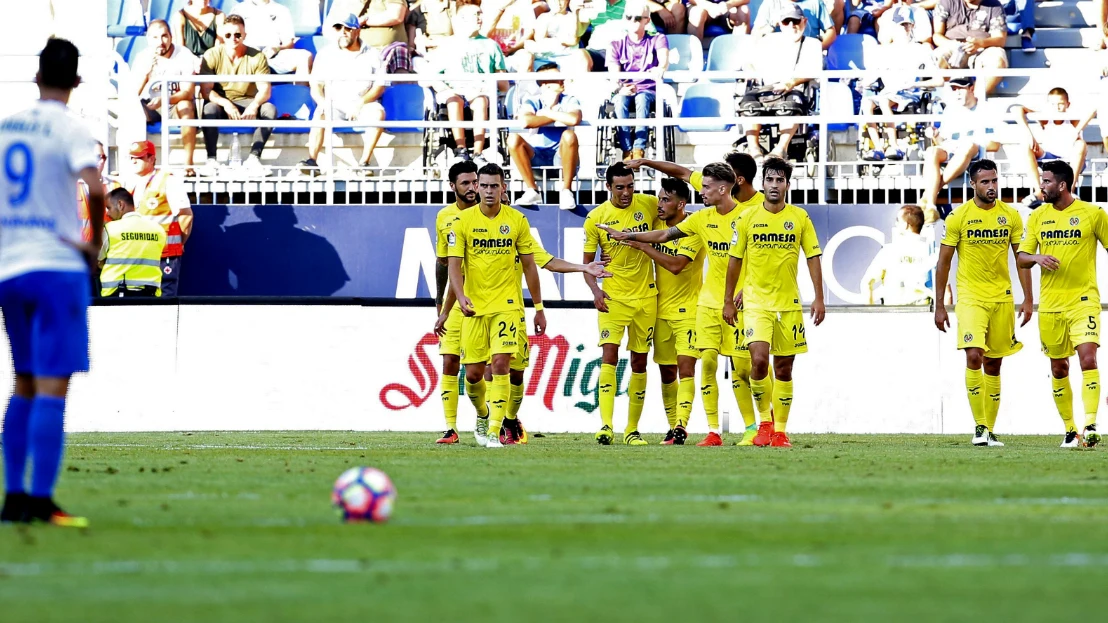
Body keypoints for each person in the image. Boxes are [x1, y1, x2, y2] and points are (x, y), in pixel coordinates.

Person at [0, 38, 105, 527]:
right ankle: (41, 501)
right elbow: (97, 187)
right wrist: (93, 243)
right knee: (50, 385)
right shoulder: (71, 127)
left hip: (10, 269)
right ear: (77, 81)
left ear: (36, 77)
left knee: (21, 381)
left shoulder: (6, 127)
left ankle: (14, 498)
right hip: (56, 266)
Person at [605, 159, 772, 446]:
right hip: (707, 304)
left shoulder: (748, 217)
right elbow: (664, 233)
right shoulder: (701, 218)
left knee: (744, 367)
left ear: (723, 188)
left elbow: (759, 258)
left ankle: (761, 425)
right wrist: (629, 236)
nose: (701, 191)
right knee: (706, 363)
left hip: (737, 303)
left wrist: (745, 288)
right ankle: (712, 431)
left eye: (706, 187)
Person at [446, 163, 608, 447]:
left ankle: (497, 429)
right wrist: (458, 299)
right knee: (472, 375)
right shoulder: (462, 222)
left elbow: (538, 263)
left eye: (494, 186)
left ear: (503, 188)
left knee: (501, 364)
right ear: (476, 187)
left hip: (508, 307)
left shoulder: (517, 221)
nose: (488, 191)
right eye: (483, 185)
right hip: (474, 309)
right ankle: (484, 414)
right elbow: (453, 266)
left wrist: (582, 269)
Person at [722, 157, 826, 448]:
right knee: (757, 362)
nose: (774, 185)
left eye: (780, 180)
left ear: (787, 186)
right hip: (756, 303)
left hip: (789, 304)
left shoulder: (800, 218)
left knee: (783, 370)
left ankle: (780, 431)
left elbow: (813, 257)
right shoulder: (747, 218)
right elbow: (734, 261)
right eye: (770, 179)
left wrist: (819, 297)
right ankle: (764, 422)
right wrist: (728, 300)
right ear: (763, 183)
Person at [933, 161, 1031, 447]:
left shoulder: (1010, 216)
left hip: (1002, 297)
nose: (992, 187)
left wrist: (1028, 298)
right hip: (971, 296)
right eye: (985, 182)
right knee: (974, 354)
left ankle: (989, 428)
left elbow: (1021, 258)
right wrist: (939, 305)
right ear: (972, 184)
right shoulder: (958, 217)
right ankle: (979, 428)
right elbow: (943, 262)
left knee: (993, 363)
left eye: (994, 181)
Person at [1017, 160, 1108, 448]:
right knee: (1059, 368)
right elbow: (1021, 257)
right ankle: (1070, 430)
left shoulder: (1092, 213)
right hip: (1052, 304)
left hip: (1084, 300)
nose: (1041, 186)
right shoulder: (1038, 217)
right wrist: (1036, 258)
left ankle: (1091, 424)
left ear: (1062, 185)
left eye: (1045, 181)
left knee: (1088, 359)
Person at [615, 178, 703, 444]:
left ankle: (681, 425)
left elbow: (676, 265)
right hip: (659, 309)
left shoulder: (693, 228)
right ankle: (672, 427)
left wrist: (645, 246)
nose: (660, 204)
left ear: (681, 204)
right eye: (659, 198)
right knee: (667, 373)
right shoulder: (656, 224)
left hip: (689, 310)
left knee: (686, 368)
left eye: (666, 200)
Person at [582, 163, 661, 445]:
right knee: (609, 357)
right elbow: (587, 264)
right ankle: (605, 425)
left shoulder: (649, 205)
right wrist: (596, 291)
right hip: (613, 297)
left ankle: (632, 429)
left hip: (646, 297)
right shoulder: (596, 218)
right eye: (620, 187)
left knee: (640, 361)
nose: (627, 192)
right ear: (608, 188)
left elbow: (674, 215)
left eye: (630, 185)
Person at [297, 14, 387, 176]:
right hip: (334, 103)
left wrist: (360, 103)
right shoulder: (325, 53)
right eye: (339, 28)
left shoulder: (373, 53)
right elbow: (316, 85)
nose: (343, 32)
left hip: (363, 103)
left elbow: (380, 87)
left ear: (357, 31)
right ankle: (311, 161)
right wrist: (322, 102)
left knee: (378, 113)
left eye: (348, 28)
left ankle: (364, 163)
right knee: (320, 113)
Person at [739, 3, 822, 160]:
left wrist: (791, 82)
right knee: (748, 104)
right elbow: (748, 63)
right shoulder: (768, 41)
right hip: (766, 89)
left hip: (794, 88)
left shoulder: (813, 44)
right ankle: (753, 149)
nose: (792, 26)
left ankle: (781, 149)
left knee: (789, 105)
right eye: (786, 22)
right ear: (780, 24)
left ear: (804, 21)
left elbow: (814, 70)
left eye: (796, 21)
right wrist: (751, 70)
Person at [198, 14, 277, 177]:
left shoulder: (257, 56)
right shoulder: (212, 55)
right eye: (228, 35)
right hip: (222, 103)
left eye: (237, 34)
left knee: (269, 109)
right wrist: (226, 104)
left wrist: (254, 105)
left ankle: (254, 159)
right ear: (222, 36)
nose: (233, 38)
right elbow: (206, 91)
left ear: (245, 35)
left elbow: (265, 90)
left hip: (248, 101)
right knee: (209, 108)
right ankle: (211, 160)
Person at [118, 141, 195, 298]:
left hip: (164, 254)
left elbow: (186, 215)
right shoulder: (132, 183)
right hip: (140, 254)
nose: (133, 161)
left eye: (139, 157)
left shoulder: (168, 180)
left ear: (152, 158)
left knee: (164, 298)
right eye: (131, 157)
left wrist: (179, 243)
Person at [434, 4, 508, 166]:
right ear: (462, 19)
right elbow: (432, 76)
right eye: (476, 14)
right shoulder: (447, 45)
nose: (480, 18)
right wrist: (445, 88)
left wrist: (494, 80)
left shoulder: (491, 45)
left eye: (481, 13)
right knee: (453, 100)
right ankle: (460, 150)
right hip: (453, 90)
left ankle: (478, 152)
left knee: (481, 100)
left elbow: (504, 84)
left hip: (480, 90)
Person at [921, 77, 998, 216]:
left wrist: (973, 142)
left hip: (975, 154)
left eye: (960, 88)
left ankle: (928, 195)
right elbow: (942, 143)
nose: (956, 92)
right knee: (931, 151)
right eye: (954, 89)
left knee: (968, 145)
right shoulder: (950, 110)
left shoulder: (987, 108)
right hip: (953, 151)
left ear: (971, 88)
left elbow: (995, 144)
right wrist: (935, 135)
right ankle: (931, 205)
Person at [509, 63, 581, 210]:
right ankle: (532, 190)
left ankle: (566, 191)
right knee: (513, 139)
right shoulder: (532, 101)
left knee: (569, 135)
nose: (562, 80)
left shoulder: (570, 99)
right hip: (537, 155)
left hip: (562, 156)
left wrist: (547, 113)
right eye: (557, 78)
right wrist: (559, 116)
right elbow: (526, 121)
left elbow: (574, 119)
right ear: (545, 85)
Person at [133, 19, 200, 176]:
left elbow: (188, 92)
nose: (161, 42)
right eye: (155, 38)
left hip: (173, 104)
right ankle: (139, 164)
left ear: (171, 37)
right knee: (133, 110)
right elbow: (132, 94)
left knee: (186, 106)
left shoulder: (183, 54)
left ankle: (188, 165)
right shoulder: (142, 57)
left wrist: (165, 100)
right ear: (148, 39)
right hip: (149, 106)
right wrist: (146, 73)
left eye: (164, 36)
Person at [607, 0, 669, 161]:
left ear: (647, 20)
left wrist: (661, 68)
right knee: (619, 100)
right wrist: (619, 88)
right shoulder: (615, 44)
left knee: (642, 98)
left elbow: (663, 62)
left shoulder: (658, 39)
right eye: (629, 17)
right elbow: (614, 75)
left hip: (649, 88)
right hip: (625, 88)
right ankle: (626, 149)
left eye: (637, 18)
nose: (633, 21)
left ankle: (638, 148)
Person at [1015, 88, 1087, 206]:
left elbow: (1093, 109)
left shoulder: (1073, 119)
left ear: (1068, 104)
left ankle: (1070, 190)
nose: (1057, 108)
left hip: (1070, 161)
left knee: (1081, 144)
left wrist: (1077, 131)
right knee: (1026, 145)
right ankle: (1039, 191)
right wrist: (1029, 134)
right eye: (1053, 104)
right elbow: (1017, 109)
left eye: (1061, 104)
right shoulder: (1045, 119)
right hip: (1049, 158)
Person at [861, 204, 937, 305]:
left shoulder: (888, 251)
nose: (895, 224)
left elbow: (867, 283)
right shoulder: (932, 252)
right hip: (924, 314)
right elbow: (947, 293)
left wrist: (870, 315)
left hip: (892, 314)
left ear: (906, 224)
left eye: (897, 220)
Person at [98, 188, 167, 298]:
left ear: (120, 205)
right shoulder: (158, 229)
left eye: (109, 208)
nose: (108, 213)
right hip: (150, 296)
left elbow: (99, 260)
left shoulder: (110, 229)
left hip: (116, 296)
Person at [932, 0, 1007, 98]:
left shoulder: (994, 5)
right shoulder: (947, 2)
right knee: (938, 57)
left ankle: (975, 99)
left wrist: (980, 43)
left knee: (998, 60)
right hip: (952, 45)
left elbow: (1000, 39)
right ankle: (948, 100)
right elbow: (937, 35)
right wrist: (953, 45)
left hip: (983, 49)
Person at [230, 0, 313, 76]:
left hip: (274, 55)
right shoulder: (238, 9)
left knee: (304, 57)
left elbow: (288, 42)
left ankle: (299, 91)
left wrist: (276, 49)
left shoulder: (281, 10)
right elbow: (230, 37)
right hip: (247, 55)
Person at [752, 0, 838, 50]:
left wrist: (815, 49)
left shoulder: (815, 2)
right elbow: (755, 35)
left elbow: (831, 31)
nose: (791, 24)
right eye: (787, 22)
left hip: (808, 58)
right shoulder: (770, 3)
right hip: (777, 55)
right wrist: (773, 25)